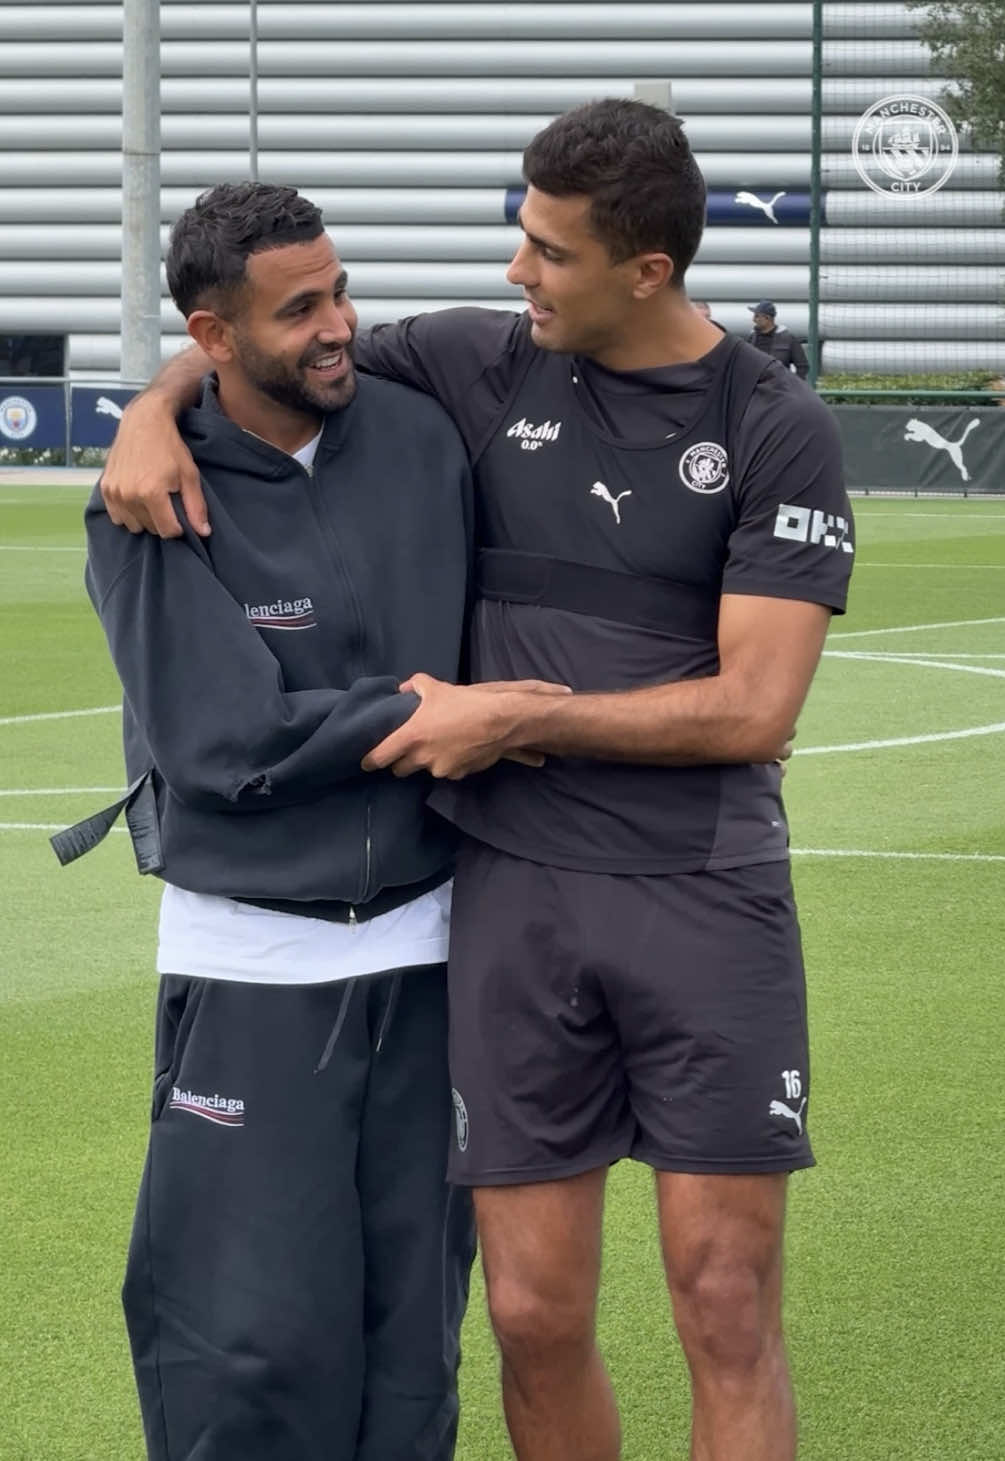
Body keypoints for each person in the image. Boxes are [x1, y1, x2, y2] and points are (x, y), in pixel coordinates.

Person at [101, 100, 855, 1461]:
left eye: (547, 251)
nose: (515, 272)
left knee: (723, 1298)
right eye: (520, 237)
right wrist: (147, 412)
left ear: (648, 270)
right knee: (524, 1312)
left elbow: (756, 707)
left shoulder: (774, 422)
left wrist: (511, 724)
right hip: (505, 903)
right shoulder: (474, 364)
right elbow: (243, 346)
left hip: (701, 894)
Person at [55, 181, 488, 1461]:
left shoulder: (426, 437)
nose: (338, 324)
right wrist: (428, 711)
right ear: (212, 334)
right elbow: (220, 747)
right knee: (246, 1347)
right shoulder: (146, 501)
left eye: (341, 291)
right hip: (253, 965)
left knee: (413, 1346)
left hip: (432, 956)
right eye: (300, 309)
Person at [747, 299, 810, 379]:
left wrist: (792, 386)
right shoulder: (752, 338)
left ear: (767, 318)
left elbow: (803, 367)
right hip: (757, 389)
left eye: (757, 316)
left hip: (778, 389)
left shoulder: (788, 339)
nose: (753, 320)